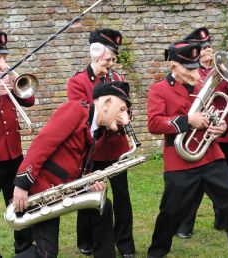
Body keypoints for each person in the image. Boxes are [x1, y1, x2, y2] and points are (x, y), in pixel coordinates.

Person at [147, 40, 228, 258]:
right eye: (188, 69)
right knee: (171, 211)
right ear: (174, 67)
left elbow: (217, 115)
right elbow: (154, 123)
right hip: (179, 159)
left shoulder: (201, 87)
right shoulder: (159, 89)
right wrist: (187, 120)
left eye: (195, 67)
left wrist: (221, 126)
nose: (194, 72)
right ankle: (157, 252)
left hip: (210, 156)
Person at [12, 81, 132, 258]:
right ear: (106, 103)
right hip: (43, 191)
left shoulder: (100, 129)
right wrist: (22, 185)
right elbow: (42, 144)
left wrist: (90, 179)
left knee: (103, 208)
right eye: (121, 109)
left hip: (66, 189)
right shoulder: (76, 110)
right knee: (46, 254)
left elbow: (81, 163)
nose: (126, 117)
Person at [67, 28, 135, 258]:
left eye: (114, 59)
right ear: (96, 53)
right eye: (109, 59)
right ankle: (86, 239)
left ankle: (125, 243)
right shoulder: (77, 82)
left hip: (116, 148)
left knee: (122, 196)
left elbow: (126, 109)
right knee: (88, 196)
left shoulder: (118, 79)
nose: (112, 63)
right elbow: (81, 117)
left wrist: (125, 116)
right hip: (92, 151)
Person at [176, 27, 228, 239]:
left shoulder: (222, 70)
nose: (209, 50)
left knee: (227, 179)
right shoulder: (194, 74)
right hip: (201, 134)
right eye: (204, 47)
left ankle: (223, 220)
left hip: (222, 133)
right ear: (196, 52)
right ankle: (185, 225)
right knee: (196, 184)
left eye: (210, 46)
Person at [0, 31, 34, 257]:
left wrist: (14, 87)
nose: (3, 63)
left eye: (3, 57)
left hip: (14, 154)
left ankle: (23, 250)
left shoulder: (7, 77)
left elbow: (29, 99)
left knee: (19, 203)